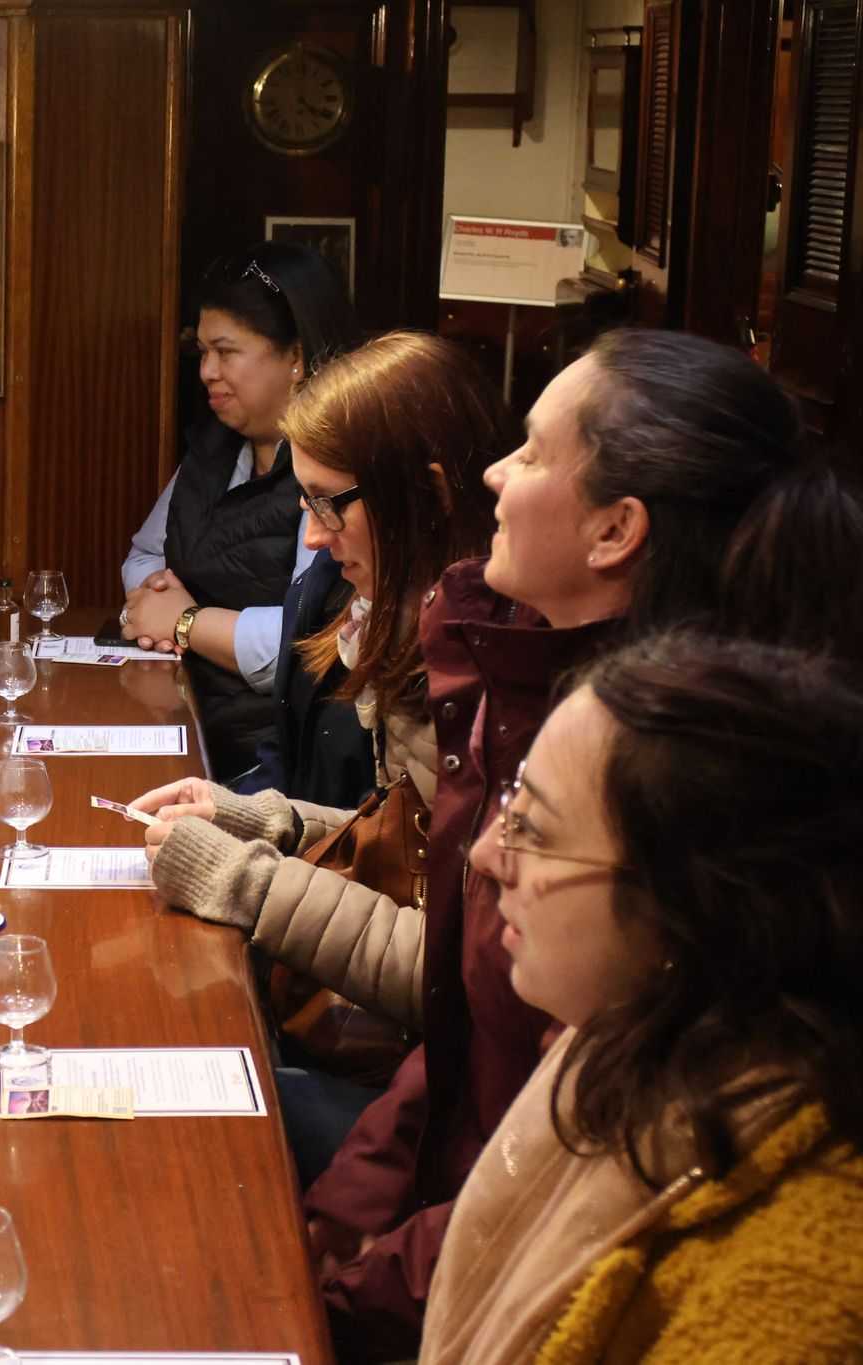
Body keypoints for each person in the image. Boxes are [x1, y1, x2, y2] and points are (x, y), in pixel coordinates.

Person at [139, 327, 862, 1360]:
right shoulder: (522, 670)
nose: (493, 472)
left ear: (615, 529)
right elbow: (466, 1037)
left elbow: (508, 1103)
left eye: (526, 451)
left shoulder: (637, 747)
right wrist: (330, 1248)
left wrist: (328, 1288)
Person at [422, 632, 863, 1361]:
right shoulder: (620, 1045)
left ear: (692, 904)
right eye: (511, 800)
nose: (487, 854)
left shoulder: (793, 1291)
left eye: (532, 827)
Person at [131, 331, 507, 1181]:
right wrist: (260, 817)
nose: (310, 538)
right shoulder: (412, 617)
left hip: (455, 1113)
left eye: (330, 505)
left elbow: (452, 967)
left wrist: (244, 877)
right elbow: (407, 845)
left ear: (430, 494)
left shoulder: (494, 673)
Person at [117, 242, 363, 780]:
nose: (206, 371)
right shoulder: (217, 447)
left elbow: (311, 643)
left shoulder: (332, 472)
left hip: (266, 759)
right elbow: (142, 556)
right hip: (187, 717)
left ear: (295, 356)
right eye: (201, 351)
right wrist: (161, 601)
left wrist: (185, 622)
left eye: (226, 352)